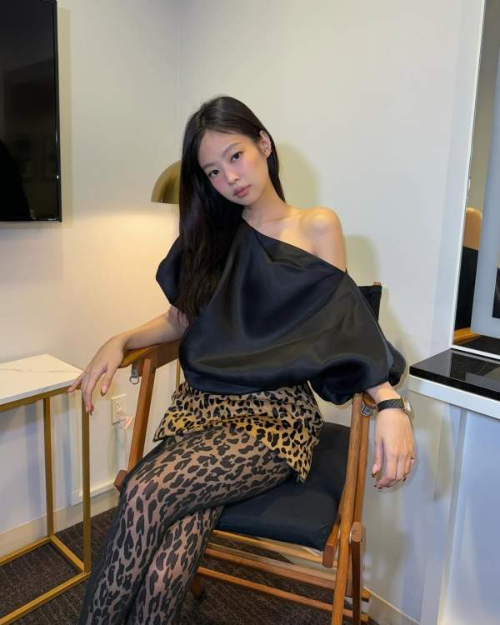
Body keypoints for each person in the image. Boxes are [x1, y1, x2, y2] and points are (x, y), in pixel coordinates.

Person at [70, 95, 415, 624]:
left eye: (235, 156)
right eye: (212, 170)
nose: (229, 177)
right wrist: (120, 339)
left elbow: (341, 328)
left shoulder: (316, 226)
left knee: (143, 488)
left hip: (273, 420)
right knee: (165, 564)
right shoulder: (213, 235)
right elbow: (181, 319)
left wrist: (389, 402)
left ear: (264, 144)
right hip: (200, 413)